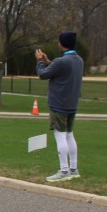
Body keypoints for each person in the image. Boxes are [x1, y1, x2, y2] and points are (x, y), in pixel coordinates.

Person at [36, 31, 83, 182]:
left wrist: (40, 61)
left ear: (62, 43)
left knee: (60, 136)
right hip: (72, 104)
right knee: (69, 135)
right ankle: (74, 169)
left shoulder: (61, 61)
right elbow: (59, 69)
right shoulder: (78, 60)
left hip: (59, 104)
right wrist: (48, 61)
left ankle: (64, 170)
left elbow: (43, 74)